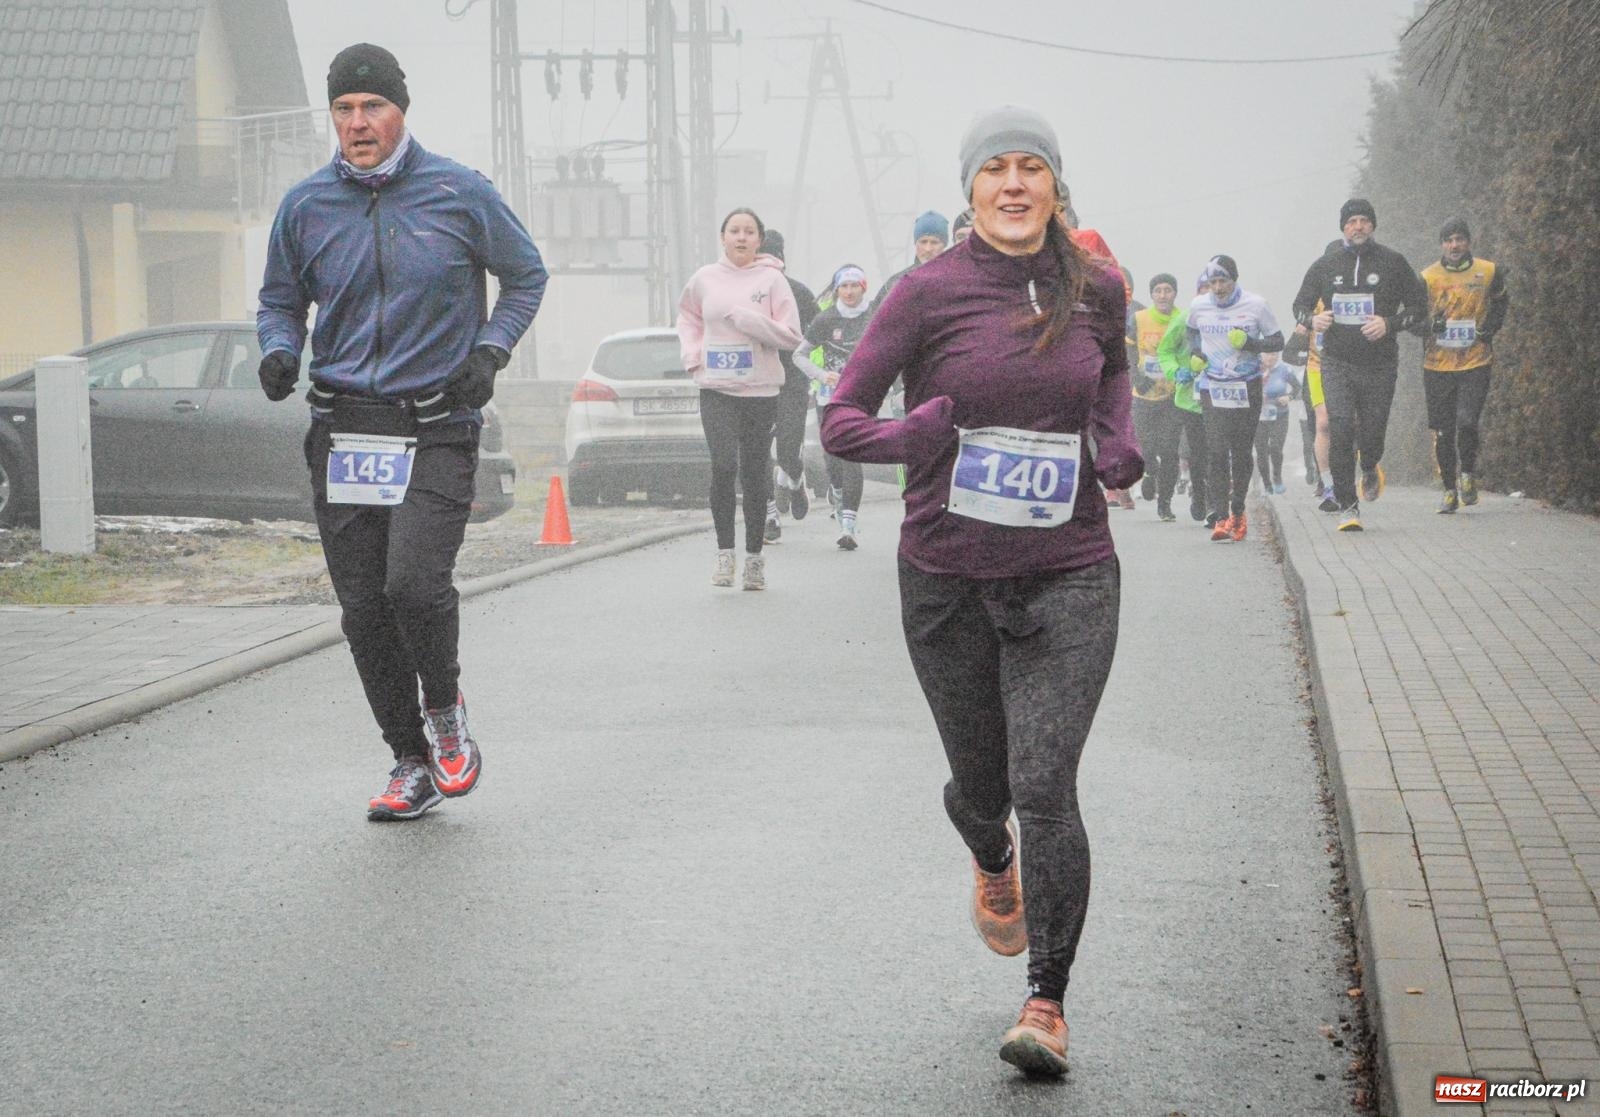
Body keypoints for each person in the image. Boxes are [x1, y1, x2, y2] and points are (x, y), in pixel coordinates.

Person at [822, 106, 1140, 1077]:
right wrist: (907, 437)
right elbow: (839, 419)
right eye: (993, 170)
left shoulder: (1099, 289)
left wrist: (1116, 439)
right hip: (947, 578)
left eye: (1030, 168)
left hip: (1069, 571)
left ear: (1053, 184)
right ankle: (988, 855)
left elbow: (1114, 372)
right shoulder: (922, 293)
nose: (1013, 185)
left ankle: (1046, 1000)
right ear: (969, 190)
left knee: (1045, 783)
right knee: (984, 787)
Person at [257, 43, 547, 821]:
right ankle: (408, 760)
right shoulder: (306, 205)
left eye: (372, 108)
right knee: (363, 608)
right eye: (344, 110)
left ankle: (446, 714)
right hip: (344, 434)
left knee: (413, 584)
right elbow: (279, 299)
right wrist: (279, 350)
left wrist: (492, 348)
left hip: (436, 426)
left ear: (401, 112)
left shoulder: (459, 192)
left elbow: (526, 275)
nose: (358, 123)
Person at [676, 208, 803, 590]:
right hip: (716, 390)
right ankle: (724, 553)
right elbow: (688, 319)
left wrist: (753, 322)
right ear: (723, 237)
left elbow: (792, 337)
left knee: (753, 471)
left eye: (749, 232)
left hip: (760, 391)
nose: (742, 238)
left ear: (759, 240)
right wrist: (693, 357)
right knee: (723, 466)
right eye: (735, 231)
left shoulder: (773, 280)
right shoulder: (704, 279)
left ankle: (754, 559)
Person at [1292, 199, 1426, 532]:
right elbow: (1300, 305)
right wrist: (1313, 319)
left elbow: (1419, 307)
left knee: (1373, 432)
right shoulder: (1326, 265)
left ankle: (1369, 465)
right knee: (1339, 429)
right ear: (1343, 228)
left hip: (1379, 363)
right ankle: (1347, 506)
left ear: (1373, 226)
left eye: (1364, 220)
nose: (1358, 226)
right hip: (1336, 362)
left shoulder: (1393, 262)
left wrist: (1389, 324)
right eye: (1352, 221)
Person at [1185, 255, 1284, 542]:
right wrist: (1197, 353)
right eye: (1212, 281)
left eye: (1223, 280)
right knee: (1216, 451)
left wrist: (1252, 344)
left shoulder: (1256, 305)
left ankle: (1238, 511)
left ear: (1234, 279)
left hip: (1246, 386)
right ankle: (1221, 516)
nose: (1217, 287)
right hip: (1212, 386)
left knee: (1240, 452)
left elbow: (1277, 341)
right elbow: (1191, 331)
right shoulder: (1199, 306)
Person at [1415, 218, 1510, 514]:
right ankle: (1448, 490)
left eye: (1459, 239)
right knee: (1443, 430)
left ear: (1468, 241)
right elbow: (1412, 320)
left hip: (1475, 361)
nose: (1454, 245)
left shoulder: (1488, 270)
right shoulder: (1427, 276)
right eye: (1448, 240)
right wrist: (1431, 326)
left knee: (1467, 421)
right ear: (1441, 244)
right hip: (1437, 365)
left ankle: (1467, 474)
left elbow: (1501, 303)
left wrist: (1489, 329)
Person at [796, 264, 873, 549]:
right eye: (844, 287)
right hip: (828, 397)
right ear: (837, 289)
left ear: (863, 287)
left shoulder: (874, 314)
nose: (850, 292)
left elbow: (890, 349)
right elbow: (799, 356)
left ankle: (848, 526)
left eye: (855, 286)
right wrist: (820, 374)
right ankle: (839, 498)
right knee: (833, 458)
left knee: (852, 455)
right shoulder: (826, 319)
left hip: (861, 397)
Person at [758, 228, 820, 539]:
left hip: (792, 381)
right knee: (755, 452)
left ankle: (796, 482)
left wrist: (818, 374)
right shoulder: (743, 290)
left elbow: (819, 334)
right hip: (754, 381)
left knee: (785, 452)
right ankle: (770, 517)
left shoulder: (800, 292)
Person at [1156, 272, 1211, 523]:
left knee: (1218, 451)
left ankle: (1215, 500)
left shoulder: (1232, 317)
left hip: (1223, 397)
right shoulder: (1184, 318)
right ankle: (1200, 496)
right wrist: (1176, 371)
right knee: (1198, 453)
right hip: (1191, 399)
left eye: (1215, 287)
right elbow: (1165, 350)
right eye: (1204, 289)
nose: (1210, 293)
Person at [1130, 272, 1183, 520]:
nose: (1163, 295)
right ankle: (1150, 471)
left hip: (1172, 396)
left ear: (1174, 293)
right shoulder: (1139, 318)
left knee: (1170, 451)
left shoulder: (1182, 319)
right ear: (1151, 295)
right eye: (1158, 290)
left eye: (1168, 290)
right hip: (1143, 395)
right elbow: (1127, 351)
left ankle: (1165, 504)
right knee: (1147, 448)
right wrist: (1136, 378)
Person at [869, 210, 949, 314]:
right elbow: (874, 322)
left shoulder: (955, 280)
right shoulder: (896, 283)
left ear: (944, 245)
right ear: (915, 243)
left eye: (934, 242)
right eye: (923, 242)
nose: (928, 249)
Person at [1253, 350, 1296, 494]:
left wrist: (1289, 397)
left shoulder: (1284, 370)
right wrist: (1257, 396)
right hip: (1259, 418)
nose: (1271, 357)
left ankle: (1277, 477)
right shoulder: (1253, 370)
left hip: (1280, 415)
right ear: (1260, 355)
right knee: (1261, 451)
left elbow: (1298, 387)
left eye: (1274, 354)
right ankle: (1267, 484)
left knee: (1276, 447)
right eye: (1267, 354)